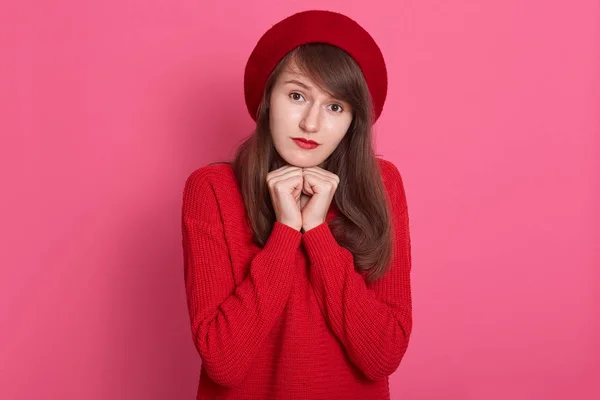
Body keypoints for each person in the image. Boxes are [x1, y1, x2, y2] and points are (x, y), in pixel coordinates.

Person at [181, 9, 412, 400]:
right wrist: (286, 232)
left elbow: (383, 355)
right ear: (268, 99)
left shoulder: (381, 186)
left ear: (353, 121)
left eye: (335, 107)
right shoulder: (212, 190)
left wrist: (318, 234)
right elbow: (223, 360)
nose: (310, 123)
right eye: (297, 95)